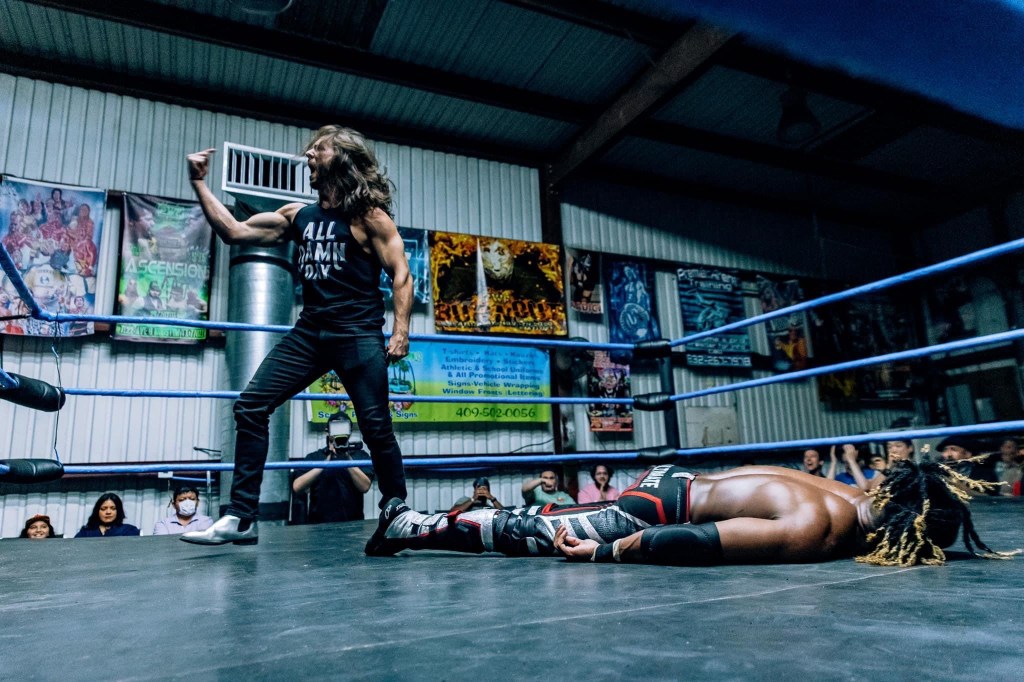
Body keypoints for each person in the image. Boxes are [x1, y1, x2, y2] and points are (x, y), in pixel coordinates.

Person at [182, 125, 411, 546]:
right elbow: (234, 231)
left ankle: (397, 513)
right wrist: (199, 183)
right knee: (251, 406)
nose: (308, 155)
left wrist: (401, 330)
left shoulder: (369, 217)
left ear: (342, 158)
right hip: (310, 332)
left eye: (318, 149)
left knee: (376, 427)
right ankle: (242, 516)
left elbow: (401, 273)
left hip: (357, 333)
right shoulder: (297, 215)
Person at [367, 461, 1020, 567]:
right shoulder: (823, 529)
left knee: (531, 521)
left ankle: (412, 519)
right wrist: (607, 551)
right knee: (533, 533)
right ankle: (407, 526)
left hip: (678, 477)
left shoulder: (845, 493)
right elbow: (700, 540)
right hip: (662, 506)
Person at [292, 412, 373, 523]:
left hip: (352, 524)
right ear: (328, 431)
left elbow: (364, 486)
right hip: (319, 525)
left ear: (350, 431)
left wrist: (347, 458)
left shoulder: (360, 456)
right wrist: (325, 462)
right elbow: (297, 486)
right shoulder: (315, 457)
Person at [75, 493, 141, 538]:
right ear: (97, 511)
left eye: (113, 508)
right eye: (103, 508)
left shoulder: (128, 531)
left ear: (118, 511)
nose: (108, 512)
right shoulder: (86, 532)